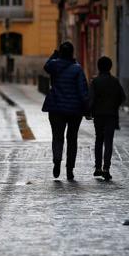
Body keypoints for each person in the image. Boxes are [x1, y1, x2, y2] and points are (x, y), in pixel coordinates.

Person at [42, 42, 89, 180]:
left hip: (56, 108)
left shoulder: (54, 65)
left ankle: (57, 161)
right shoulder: (77, 69)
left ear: (60, 53)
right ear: (72, 53)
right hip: (74, 110)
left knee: (57, 137)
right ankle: (70, 169)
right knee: (72, 139)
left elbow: (46, 65)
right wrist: (87, 108)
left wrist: (54, 54)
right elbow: (82, 91)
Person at [89, 56, 126, 181]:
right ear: (110, 67)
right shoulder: (114, 81)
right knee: (108, 141)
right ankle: (106, 168)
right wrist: (114, 105)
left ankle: (98, 167)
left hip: (98, 115)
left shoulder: (95, 82)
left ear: (99, 67)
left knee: (99, 140)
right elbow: (122, 97)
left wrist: (89, 111)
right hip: (111, 115)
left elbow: (91, 99)